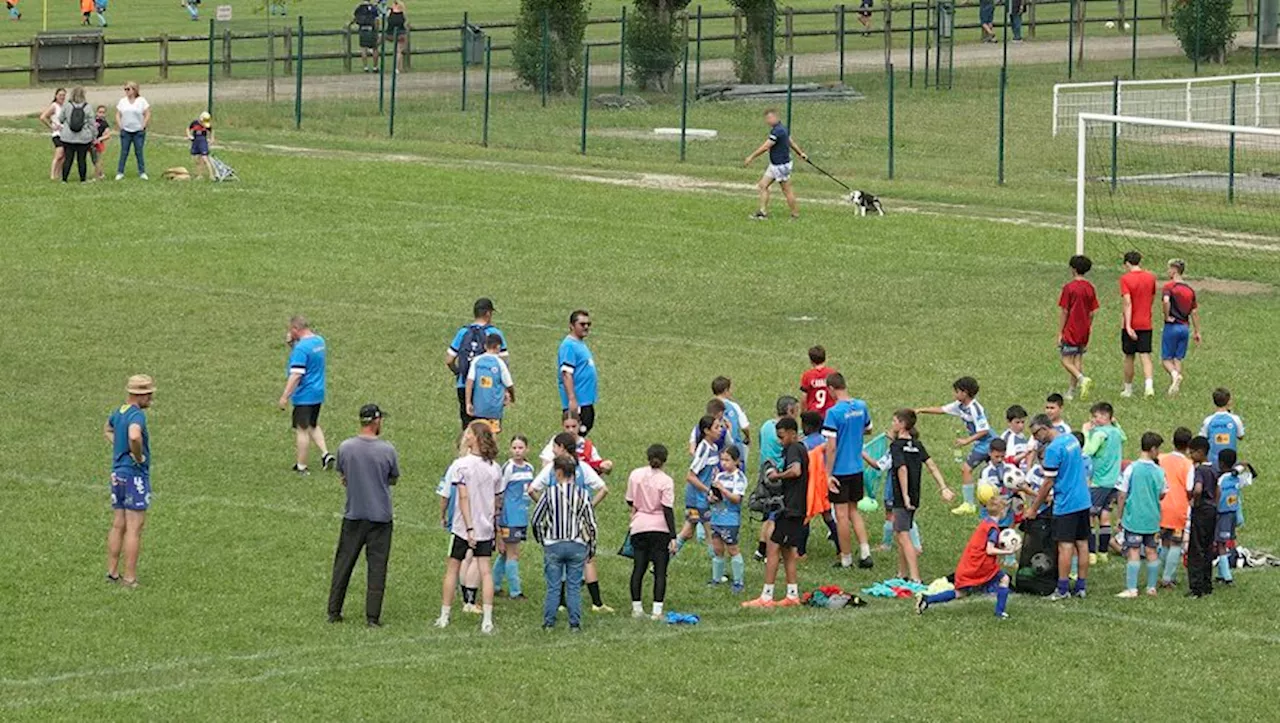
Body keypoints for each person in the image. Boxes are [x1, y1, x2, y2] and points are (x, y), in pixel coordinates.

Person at [327, 404, 398, 627]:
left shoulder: (345, 447)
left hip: (353, 514)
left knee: (344, 563)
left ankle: (334, 610)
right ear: (376, 421)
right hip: (381, 517)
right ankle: (372, 617)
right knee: (377, 567)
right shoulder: (387, 450)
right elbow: (393, 478)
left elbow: (343, 475)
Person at [531, 425, 611, 612]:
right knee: (586, 560)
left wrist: (546, 506)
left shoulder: (552, 468)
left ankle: (559, 603)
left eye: (555, 447)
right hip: (579, 523)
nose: (552, 450)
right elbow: (603, 489)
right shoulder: (582, 467)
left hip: (556, 526)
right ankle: (596, 602)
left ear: (561, 448)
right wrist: (588, 506)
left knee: (557, 563)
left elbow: (531, 489)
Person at [435, 422, 503, 634]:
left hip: (462, 526)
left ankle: (445, 615)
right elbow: (498, 498)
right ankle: (487, 620)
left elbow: (451, 495)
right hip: (485, 527)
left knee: (452, 569)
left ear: (474, 437)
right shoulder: (495, 467)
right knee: (485, 572)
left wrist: (443, 514)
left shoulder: (460, 465)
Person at [742, 417, 807, 608]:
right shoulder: (799, 448)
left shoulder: (794, 448)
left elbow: (796, 471)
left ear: (793, 433)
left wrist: (777, 475)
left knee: (772, 548)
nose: (780, 441)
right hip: (796, 507)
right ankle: (792, 594)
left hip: (790, 508)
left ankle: (766, 596)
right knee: (788, 552)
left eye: (782, 436)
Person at [915, 495, 1016, 619]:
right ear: (1002, 511)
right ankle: (999, 612)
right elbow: (989, 550)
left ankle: (928, 599)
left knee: (961, 592)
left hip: (972, 564)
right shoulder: (993, 529)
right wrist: (1008, 551)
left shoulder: (986, 523)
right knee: (1004, 579)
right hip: (981, 566)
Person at [1026, 413, 1092, 600]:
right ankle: (1081, 587)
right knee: (1083, 543)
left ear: (1044, 429)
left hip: (1067, 503)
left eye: (1036, 434)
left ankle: (1062, 589)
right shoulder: (1071, 439)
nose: (1036, 438)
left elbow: (1048, 483)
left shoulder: (1053, 449)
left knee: (1065, 546)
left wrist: (1033, 508)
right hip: (1083, 499)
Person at [533, 455, 598, 631]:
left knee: (553, 586)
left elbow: (536, 519)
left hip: (553, 544)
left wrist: (542, 539)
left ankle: (549, 622)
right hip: (576, 544)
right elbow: (591, 523)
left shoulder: (549, 493)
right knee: (574, 586)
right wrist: (591, 547)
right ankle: (574, 623)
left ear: (558, 472)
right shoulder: (583, 494)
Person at [889, 409, 954, 583]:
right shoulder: (917, 445)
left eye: (895, 421)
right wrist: (943, 487)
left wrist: (904, 495)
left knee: (903, 535)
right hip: (916, 494)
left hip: (902, 496)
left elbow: (901, 468)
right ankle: (901, 573)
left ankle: (915, 577)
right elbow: (932, 466)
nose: (892, 423)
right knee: (901, 533)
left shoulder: (896, 446)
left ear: (902, 425)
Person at [103, 374, 156, 588]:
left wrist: (119, 448)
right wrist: (137, 455)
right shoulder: (136, 416)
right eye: (149, 394)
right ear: (140, 395)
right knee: (134, 528)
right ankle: (130, 578)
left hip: (118, 473)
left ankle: (112, 572)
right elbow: (135, 436)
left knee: (118, 525)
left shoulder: (119, 412)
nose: (151, 398)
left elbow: (107, 429)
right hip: (135, 475)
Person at [916, 376, 991, 516]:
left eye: (956, 391)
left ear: (965, 392)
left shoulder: (975, 408)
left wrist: (966, 441)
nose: (954, 394)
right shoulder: (960, 405)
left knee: (966, 469)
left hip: (986, 444)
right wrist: (921, 410)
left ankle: (969, 504)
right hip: (981, 444)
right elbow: (942, 409)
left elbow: (984, 430)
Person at [822, 372, 874, 569]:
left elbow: (831, 447)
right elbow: (868, 429)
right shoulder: (861, 406)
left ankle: (846, 558)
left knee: (841, 515)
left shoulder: (833, 413)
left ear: (831, 389)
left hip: (840, 471)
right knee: (854, 511)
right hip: (857, 467)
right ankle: (865, 551)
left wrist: (828, 474)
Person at [277, 316, 334, 475]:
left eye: (290, 330)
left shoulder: (301, 349)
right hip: (318, 391)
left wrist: (285, 396)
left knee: (302, 429)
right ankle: (325, 454)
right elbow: (308, 360)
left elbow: (296, 374)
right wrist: (292, 345)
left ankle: (302, 466)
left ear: (296, 329)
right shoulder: (319, 341)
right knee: (312, 425)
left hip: (304, 394)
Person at [1113, 431, 1166, 598]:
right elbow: (1163, 493)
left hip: (1134, 518)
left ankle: (1132, 588)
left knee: (1134, 551)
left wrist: (1119, 516)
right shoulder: (1159, 471)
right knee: (1152, 551)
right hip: (1152, 518)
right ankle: (1151, 587)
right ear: (1152, 449)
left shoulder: (1131, 469)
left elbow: (1122, 493)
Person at [627, 444, 676, 619]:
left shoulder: (635, 475)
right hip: (659, 527)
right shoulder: (666, 481)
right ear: (665, 460)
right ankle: (657, 611)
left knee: (638, 568)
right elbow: (667, 509)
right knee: (660, 571)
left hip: (639, 525)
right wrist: (673, 536)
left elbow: (630, 500)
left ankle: (637, 608)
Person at [446, 298, 507, 430]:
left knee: (469, 430)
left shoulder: (463, 332)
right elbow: (503, 363)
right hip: (487, 388)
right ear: (488, 314)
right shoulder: (494, 333)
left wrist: (459, 372)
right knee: (489, 431)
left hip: (464, 385)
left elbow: (449, 360)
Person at [754, 395, 799, 561]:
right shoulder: (784, 432)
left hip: (764, 471)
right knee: (776, 515)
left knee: (768, 513)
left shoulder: (766, 426)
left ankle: (760, 549)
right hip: (778, 476)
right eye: (796, 410)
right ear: (789, 410)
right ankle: (770, 552)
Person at [744, 108, 808, 221]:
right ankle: (762, 212)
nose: (767, 121)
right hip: (775, 165)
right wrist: (801, 153)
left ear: (776, 117)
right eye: (766, 119)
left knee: (787, 190)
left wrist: (751, 157)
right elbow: (790, 142)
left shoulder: (777, 132)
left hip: (780, 165)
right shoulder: (783, 129)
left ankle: (795, 214)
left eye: (769, 118)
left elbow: (765, 147)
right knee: (763, 185)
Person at [1082, 402, 1126, 564]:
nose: (1092, 419)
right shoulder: (1116, 432)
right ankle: (1103, 553)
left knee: (1091, 516)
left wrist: (1086, 433)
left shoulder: (1099, 434)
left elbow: (1088, 450)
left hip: (1099, 481)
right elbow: (1124, 437)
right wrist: (1116, 422)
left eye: (1095, 416)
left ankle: (1092, 552)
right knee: (1106, 516)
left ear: (1103, 416)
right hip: (1114, 481)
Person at [493, 435, 533, 600]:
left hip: (522, 515)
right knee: (513, 553)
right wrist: (498, 516)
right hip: (510, 516)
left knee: (505, 554)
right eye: (514, 448)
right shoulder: (508, 468)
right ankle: (515, 591)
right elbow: (500, 492)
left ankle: (494, 585)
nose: (517, 451)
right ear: (510, 449)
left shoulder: (529, 468)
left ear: (527, 449)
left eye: (520, 448)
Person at [676, 415, 721, 558]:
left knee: (687, 532)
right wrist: (708, 491)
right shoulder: (704, 449)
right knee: (712, 535)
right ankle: (717, 573)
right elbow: (690, 476)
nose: (720, 430)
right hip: (699, 500)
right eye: (716, 427)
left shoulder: (713, 447)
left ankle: (661, 561)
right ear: (707, 431)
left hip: (698, 499)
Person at [1157, 427, 1195, 588]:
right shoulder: (1188, 464)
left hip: (1161, 506)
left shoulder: (1160, 458)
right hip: (1178, 509)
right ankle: (1167, 577)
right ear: (1188, 446)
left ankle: (1162, 573)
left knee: (1164, 541)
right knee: (1176, 543)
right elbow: (1190, 487)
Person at [1058, 254, 1098, 401]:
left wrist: (1060, 331)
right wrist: (1088, 326)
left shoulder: (1069, 288)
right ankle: (1072, 391)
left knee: (1066, 360)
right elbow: (1093, 311)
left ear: (1073, 269)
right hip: (1084, 328)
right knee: (1078, 359)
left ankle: (1082, 379)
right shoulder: (1090, 288)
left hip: (1071, 328)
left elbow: (1064, 311)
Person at [1118, 250, 1158, 398]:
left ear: (1127, 263)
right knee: (1145, 355)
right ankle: (1149, 386)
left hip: (1132, 322)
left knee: (1129, 356)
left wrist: (1128, 325)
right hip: (1146, 322)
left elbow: (1128, 302)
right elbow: (1152, 297)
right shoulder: (1151, 278)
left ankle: (1128, 388)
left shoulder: (1125, 279)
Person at [709, 447, 749, 593]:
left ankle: (739, 581)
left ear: (736, 461)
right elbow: (712, 495)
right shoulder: (719, 476)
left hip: (730, 519)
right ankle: (716, 578)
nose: (724, 463)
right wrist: (712, 498)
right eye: (722, 460)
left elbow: (736, 498)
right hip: (716, 517)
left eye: (727, 460)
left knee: (732, 549)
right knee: (717, 549)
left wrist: (723, 490)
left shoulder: (739, 478)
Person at [1160, 258, 1202, 396]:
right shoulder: (1190, 290)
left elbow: (1166, 302)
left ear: (1174, 270)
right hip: (1185, 328)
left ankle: (1174, 376)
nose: (1167, 272)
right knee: (1178, 358)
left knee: (1166, 359)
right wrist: (1197, 331)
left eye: (1169, 269)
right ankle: (1175, 387)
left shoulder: (1169, 287)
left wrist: (1166, 316)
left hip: (1172, 326)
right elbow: (1194, 312)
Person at [558, 309, 599, 435]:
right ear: (571, 325)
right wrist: (572, 399)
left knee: (583, 431)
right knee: (575, 435)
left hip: (585, 399)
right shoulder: (569, 346)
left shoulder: (579, 343)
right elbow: (566, 374)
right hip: (578, 400)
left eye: (588, 324)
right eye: (582, 324)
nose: (586, 327)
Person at [465, 333, 515, 434]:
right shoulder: (500, 363)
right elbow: (509, 384)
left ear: (484, 346)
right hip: (494, 410)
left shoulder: (476, 361)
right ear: (498, 347)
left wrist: (468, 402)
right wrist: (512, 397)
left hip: (478, 408)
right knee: (492, 435)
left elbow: (469, 382)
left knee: (478, 434)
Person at [1185, 436, 1217, 597]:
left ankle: (1196, 588)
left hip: (1201, 509)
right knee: (1208, 546)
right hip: (1212, 510)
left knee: (1196, 548)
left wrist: (1194, 502)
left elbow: (1198, 489)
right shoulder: (1213, 469)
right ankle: (1207, 584)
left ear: (1200, 452)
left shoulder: (1200, 470)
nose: (1190, 455)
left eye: (1192, 452)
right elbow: (1218, 490)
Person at [1214, 449, 1250, 587]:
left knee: (1221, 544)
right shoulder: (1237, 477)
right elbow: (1252, 476)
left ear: (1221, 463)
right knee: (1226, 541)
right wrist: (1243, 466)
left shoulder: (1221, 479)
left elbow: (1217, 493)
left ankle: (1227, 576)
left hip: (1222, 514)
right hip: (1233, 513)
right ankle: (1221, 573)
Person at [57, 87, 95, 184]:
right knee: (81, 159)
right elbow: (92, 123)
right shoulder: (88, 107)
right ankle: (82, 179)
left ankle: (64, 179)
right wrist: (94, 136)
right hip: (83, 137)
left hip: (68, 137)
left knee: (68, 158)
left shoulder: (67, 105)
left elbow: (60, 119)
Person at [1201, 387, 1245, 467]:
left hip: (1212, 463)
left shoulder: (1208, 420)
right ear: (1229, 402)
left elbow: (1202, 439)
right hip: (1230, 463)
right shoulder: (1235, 419)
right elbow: (1241, 436)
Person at [115, 82, 151, 180]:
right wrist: (120, 125)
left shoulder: (141, 101)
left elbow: (147, 113)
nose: (126, 91)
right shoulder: (122, 101)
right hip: (126, 130)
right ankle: (120, 172)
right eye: (125, 89)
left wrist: (144, 124)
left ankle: (142, 172)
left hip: (138, 131)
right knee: (124, 152)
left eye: (128, 89)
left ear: (134, 90)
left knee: (139, 151)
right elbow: (118, 114)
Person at [800, 345, 838, 413]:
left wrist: (803, 414)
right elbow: (837, 395)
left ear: (811, 361)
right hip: (829, 414)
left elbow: (804, 398)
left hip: (813, 414)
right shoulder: (832, 373)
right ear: (825, 358)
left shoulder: (807, 375)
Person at [39, 87, 66, 181]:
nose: (62, 97)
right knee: (59, 154)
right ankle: (52, 175)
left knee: (63, 156)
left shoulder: (64, 106)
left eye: (63, 95)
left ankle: (58, 174)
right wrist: (51, 126)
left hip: (65, 133)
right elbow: (43, 117)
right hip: (57, 134)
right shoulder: (54, 106)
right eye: (60, 95)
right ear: (56, 96)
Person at [352, 0, 381, 71]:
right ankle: (375, 67)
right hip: (371, 30)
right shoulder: (373, 8)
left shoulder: (359, 7)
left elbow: (355, 18)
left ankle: (365, 67)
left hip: (362, 30)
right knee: (375, 48)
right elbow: (377, 20)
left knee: (363, 49)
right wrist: (377, 31)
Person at [187, 112, 214, 180]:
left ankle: (211, 175)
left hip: (203, 142)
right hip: (195, 142)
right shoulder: (194, 123)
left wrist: (212, 138)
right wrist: (189, 135)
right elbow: (188, 128)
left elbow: (211, 131)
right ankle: (199, 175)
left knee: (205, 158)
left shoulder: (207, 125)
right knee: (197, 160)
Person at [90, 104, 111, 181]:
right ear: (96, 112)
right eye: (100, 112)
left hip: (98, 143)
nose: (101, 114)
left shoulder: (104, 123)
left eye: (103, 112)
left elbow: (108, 135)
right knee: (93, 160)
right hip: (90, 141)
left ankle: (97, 176)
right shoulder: (92, 120)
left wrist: (99, 139)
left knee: (97, 160)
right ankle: (100, 174)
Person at [385, 0, 408, 72]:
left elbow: (387, 19)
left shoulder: (390, 11)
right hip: (401, 33)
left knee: (380, 39)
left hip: (390, 33)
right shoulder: (402, 11)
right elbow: (405, 20)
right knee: (399, 51)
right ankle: (398, 68)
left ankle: (372, 47)